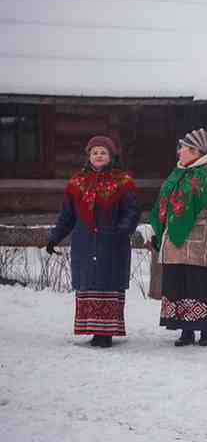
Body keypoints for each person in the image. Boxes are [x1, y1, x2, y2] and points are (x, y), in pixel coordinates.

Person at [47, 136, 139, 348]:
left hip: (112, 240)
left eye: (103, 152)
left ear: (111, 156)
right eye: (95, 152)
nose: (99, 155)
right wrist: (55, 236)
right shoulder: (76, 183)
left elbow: (132, 211)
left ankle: (106, 333)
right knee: (89, 283)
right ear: (89, 156)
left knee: (108, 284)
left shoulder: (123, 182)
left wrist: (124, 229)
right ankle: (93, 329)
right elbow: (67, 216)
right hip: (85, 241)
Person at [151, 128, 207, 347]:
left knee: (199, 283)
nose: (180, 152)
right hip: (174, 240)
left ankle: (206, 330)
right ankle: (185, 329)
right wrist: (158, 233)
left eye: (184, 148)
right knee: (178, 282)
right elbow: (163, 206)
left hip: (198, 239)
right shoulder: (177, 173)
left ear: (196, 151)